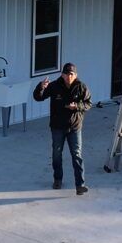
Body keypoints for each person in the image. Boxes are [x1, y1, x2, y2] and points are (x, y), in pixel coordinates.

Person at [33, 61, 93, 194]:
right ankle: (57, 179)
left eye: (71, 74)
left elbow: (88, 104)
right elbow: (38, 97)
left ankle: (80, 185)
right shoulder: (54, 86)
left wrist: (77, 106)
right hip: (57, 127)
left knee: (77, 155)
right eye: (66, 74)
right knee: (56, 154)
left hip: (74, 127)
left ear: (75, 75)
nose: (69, 76)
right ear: (62, 75)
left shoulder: (81, 87)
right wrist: (41, 87)